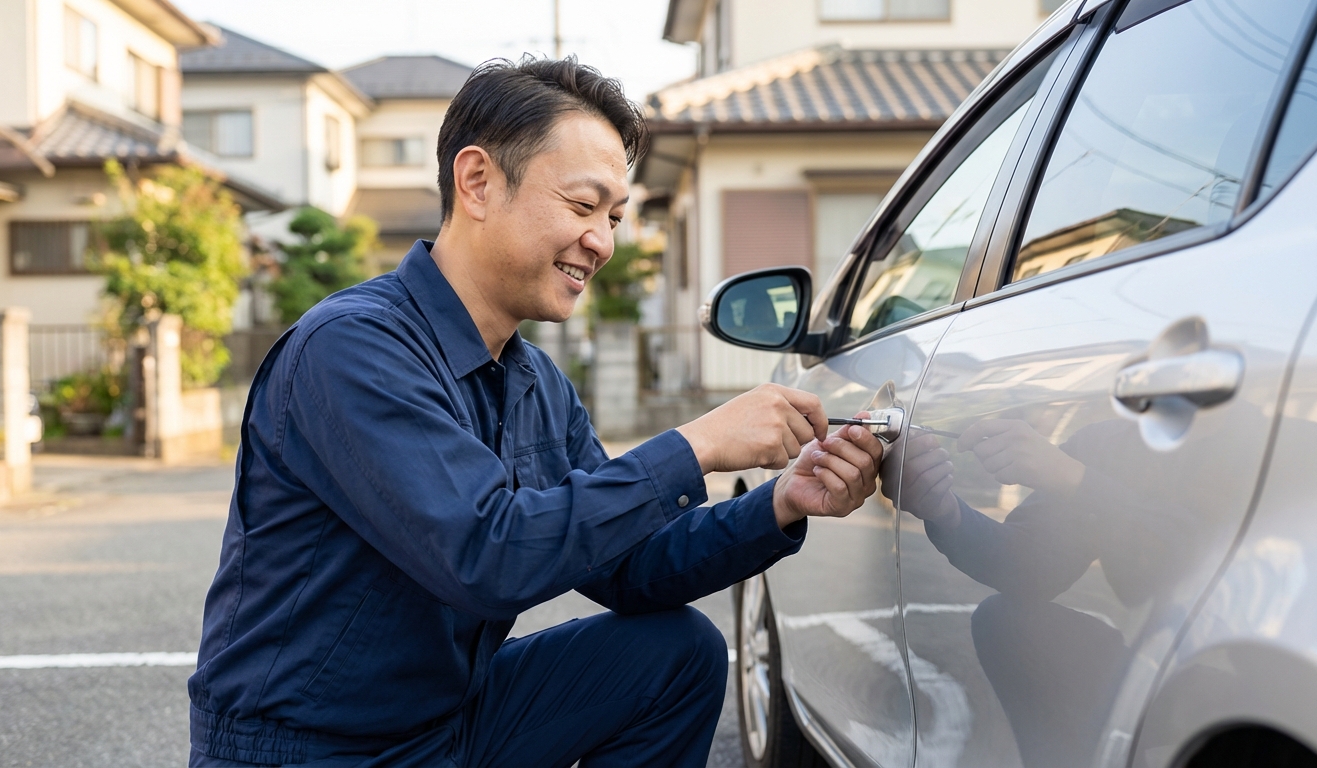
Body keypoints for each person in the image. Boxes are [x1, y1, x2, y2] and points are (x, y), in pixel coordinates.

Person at [187, 55, 884, 768]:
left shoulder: (530, 379)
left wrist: (782, 503)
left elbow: (632, 566)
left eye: (613, 218)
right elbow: (483, 556)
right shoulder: (353, 349)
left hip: (451, 722)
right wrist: (696, 446)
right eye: (583, 208)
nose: (603, 242)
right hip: (308, 750)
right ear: (478, 182)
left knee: (677, 656)